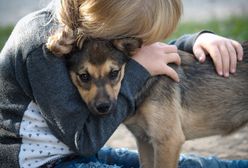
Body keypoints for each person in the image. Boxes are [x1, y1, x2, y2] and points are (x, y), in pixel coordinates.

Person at [0, 0, 245, 168]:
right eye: (136, 40)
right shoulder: (42, 48)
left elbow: (145, 52)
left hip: (75, 154)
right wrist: (137, 72)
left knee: (190, 164)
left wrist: (195, 40)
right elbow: (84, 141)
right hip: (38, 161)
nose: (141, 48)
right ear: (108, 29)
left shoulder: (93, 32)